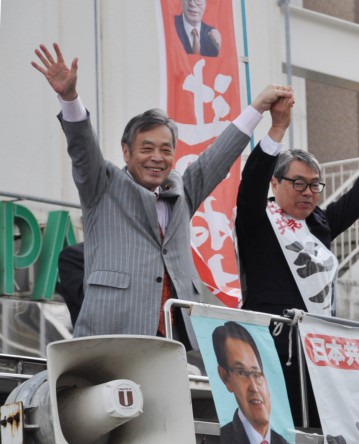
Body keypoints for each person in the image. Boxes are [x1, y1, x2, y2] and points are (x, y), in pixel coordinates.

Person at [32, 42, 292, 349]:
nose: (157, 157)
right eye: (146, 148)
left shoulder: (181, 191)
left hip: (177, 336)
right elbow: (82, 148)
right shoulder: (102, 186)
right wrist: (69, 97)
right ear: (126, 152)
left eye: (165, 149)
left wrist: (258, 108)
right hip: (115, 333)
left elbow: (218, 157)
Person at [235, 101, 359, 427]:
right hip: (269, 346)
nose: (307, 192)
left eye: (314, 185)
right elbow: (250, 182)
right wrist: (277, 129)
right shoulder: (258, 218)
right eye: (298, 183)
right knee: (278, 431)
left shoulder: (320, 223)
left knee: (320, 432)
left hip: (318, 351)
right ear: (275, 183)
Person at [213, 321, 294, 444]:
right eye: (242, 372)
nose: (254, 388)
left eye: (257, 374)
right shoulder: (222, 441)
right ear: (225, 376)